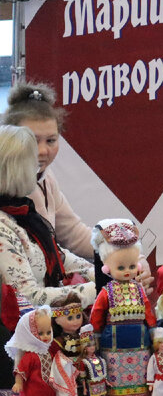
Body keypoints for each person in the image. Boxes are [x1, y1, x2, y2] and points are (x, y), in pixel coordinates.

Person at [3, 83, 153, 288]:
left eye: (51, 140)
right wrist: (105, 283)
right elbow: (27, 292)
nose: (42, 151)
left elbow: (73, 236)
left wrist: (129, 258)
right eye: (32, 140)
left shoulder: (47, 179)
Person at [0, 125, 96, 307]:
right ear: (17, 171)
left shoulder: (22, 211)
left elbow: (59, 255)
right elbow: (27, 298)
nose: (37, 169)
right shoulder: (4, 224)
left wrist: (103, 273)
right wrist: (96, 289)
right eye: (32, 163)